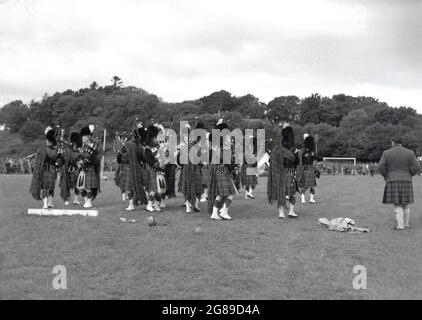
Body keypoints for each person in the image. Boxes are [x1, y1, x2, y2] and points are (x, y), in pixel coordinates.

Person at [377, 138, 420, 230]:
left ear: (393, 142)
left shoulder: (386, 153)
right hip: (407, 180)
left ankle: (400, 226)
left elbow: (380, 167)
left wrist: (386, 176)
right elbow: (417, 167)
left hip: (392, 179)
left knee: (397, 204)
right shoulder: (410, 153)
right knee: (405, 204)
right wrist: (409, 174)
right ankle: (406, 224)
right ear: (401, 143)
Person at [207, 121, 238, 220]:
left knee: (222, 193)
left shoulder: (216, 144)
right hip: (222, 169)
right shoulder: (223, 145)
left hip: (218, 169)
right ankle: (223, 212)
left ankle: (215, 213)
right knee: (231, 192)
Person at [267, 124, 297, 219]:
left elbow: (270, 160)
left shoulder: (277, 148)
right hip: (290, 172)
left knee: (281, 193)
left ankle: (281, 213)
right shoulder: (293, 148)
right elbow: (296, 161)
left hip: (279, 173)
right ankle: (291, 212)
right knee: (292, 193)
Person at [30, 126, 62, 208]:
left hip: (49, 171)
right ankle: (47, 203)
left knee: (48, 188)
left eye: (47, 140)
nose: (46, 141)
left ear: (49, 140)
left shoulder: (49, 149)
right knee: (48, 188)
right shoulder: (54, 149)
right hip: (49, 171)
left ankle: (48, 203)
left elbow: (55, 157)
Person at [119, 124, 148, 211]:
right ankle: (136, 203)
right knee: (135, 187)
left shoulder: (129, 145)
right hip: (138, 168)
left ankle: (131, 205)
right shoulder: (139, 146)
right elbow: (143, 158)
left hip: (129, 168)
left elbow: (123, 159)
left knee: (129, 188)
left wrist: (122, 153)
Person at [178, 122, 204, 213]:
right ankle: (193, 205)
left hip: (188, 169)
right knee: (196, 188)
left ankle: (191, 206)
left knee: (190, 188)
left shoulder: (186, 147)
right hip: (193, 169)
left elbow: (179, 161)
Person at [76, 125, 101, 208]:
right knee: (80, 188)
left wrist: (82, 161)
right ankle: (87, 200)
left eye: (85, 136)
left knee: (87, 187)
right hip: (82, 170)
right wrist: (78, 162)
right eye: (83, 136)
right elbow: (79, 157)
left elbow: (91, 157)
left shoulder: (92, 146)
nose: (84, 137)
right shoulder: (82, 147)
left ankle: (89, 202)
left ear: (88, 136)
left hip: (89, 168)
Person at [144, 124, 167, 212]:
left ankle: (157, 205)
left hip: (161, 169)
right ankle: (149, 205)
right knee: (154, 189)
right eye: (155, 137)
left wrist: (164, 161)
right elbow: (148, 160)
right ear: (151, 137)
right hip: (153, 170)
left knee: (161, 190)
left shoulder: (159, 146)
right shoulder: (147, 148)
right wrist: (157, 165)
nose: (157, 138)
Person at [60, 131, 82, 206]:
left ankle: (76, 199)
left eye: (76, 145)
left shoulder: (79, 151)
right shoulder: (68, 150)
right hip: (68, 170)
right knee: (67, 185)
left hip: (76, 170)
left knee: (78, 186)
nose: (75, 146)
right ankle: (67, 200)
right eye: (74, 145)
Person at [299, 133, 322, 204]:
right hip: (310, 170)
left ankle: (304, 199)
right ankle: (310, 199)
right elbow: (319, 159)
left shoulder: (303, 153)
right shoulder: (312, 153)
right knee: (312, 186)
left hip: (305, 169)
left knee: (306, 185)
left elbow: (302, 161)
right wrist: (321, 158)